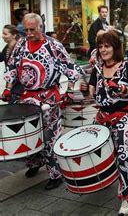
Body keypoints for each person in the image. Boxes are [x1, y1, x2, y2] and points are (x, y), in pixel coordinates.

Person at [3, 13, 85, 190]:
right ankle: (35, 163)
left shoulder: (54, 46)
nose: (29, 33)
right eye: (26, 30)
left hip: (49, 98)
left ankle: (56, 175)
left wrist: (69, 91)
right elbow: (12, 68)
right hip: (27, 98)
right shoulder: (20, 44)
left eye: (33, 29)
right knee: (30, 135)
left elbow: (70, 68)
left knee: (49, 139)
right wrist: (8, 88)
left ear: (41, 27)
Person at [80, 30, 128, 215]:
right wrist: (84, 90)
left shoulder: (126, 66)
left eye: (107, 46)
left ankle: (126, 197)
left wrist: (124, 88)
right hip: (102, 117)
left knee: (125, 156)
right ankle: (106, 179)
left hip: (123, 117)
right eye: (100, 46)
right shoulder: (98, 69)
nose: (103, 49)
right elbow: (91, 93)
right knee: (99, 154)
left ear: (115, 47)